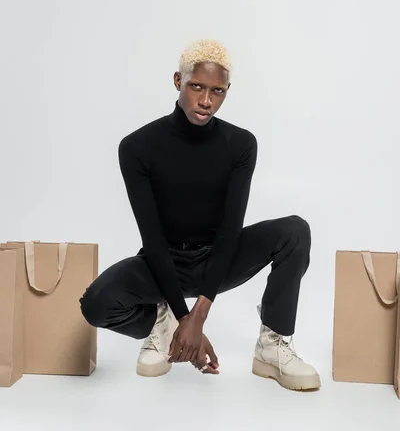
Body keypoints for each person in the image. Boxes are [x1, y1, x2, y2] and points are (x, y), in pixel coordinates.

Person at [80, 39, 320, 391]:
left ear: (227, 91)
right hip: (163, 262)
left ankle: (273, 345)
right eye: (197, 87)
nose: (206, 101)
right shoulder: (137, 147)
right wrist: (181, 320)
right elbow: (153, 238)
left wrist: (199, 317)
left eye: (217, 91)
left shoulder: (240, 145)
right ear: (178, 80)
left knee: (295, 231)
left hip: (217, 259)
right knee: (96, 305)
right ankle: (156, 323)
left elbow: (229, 231)